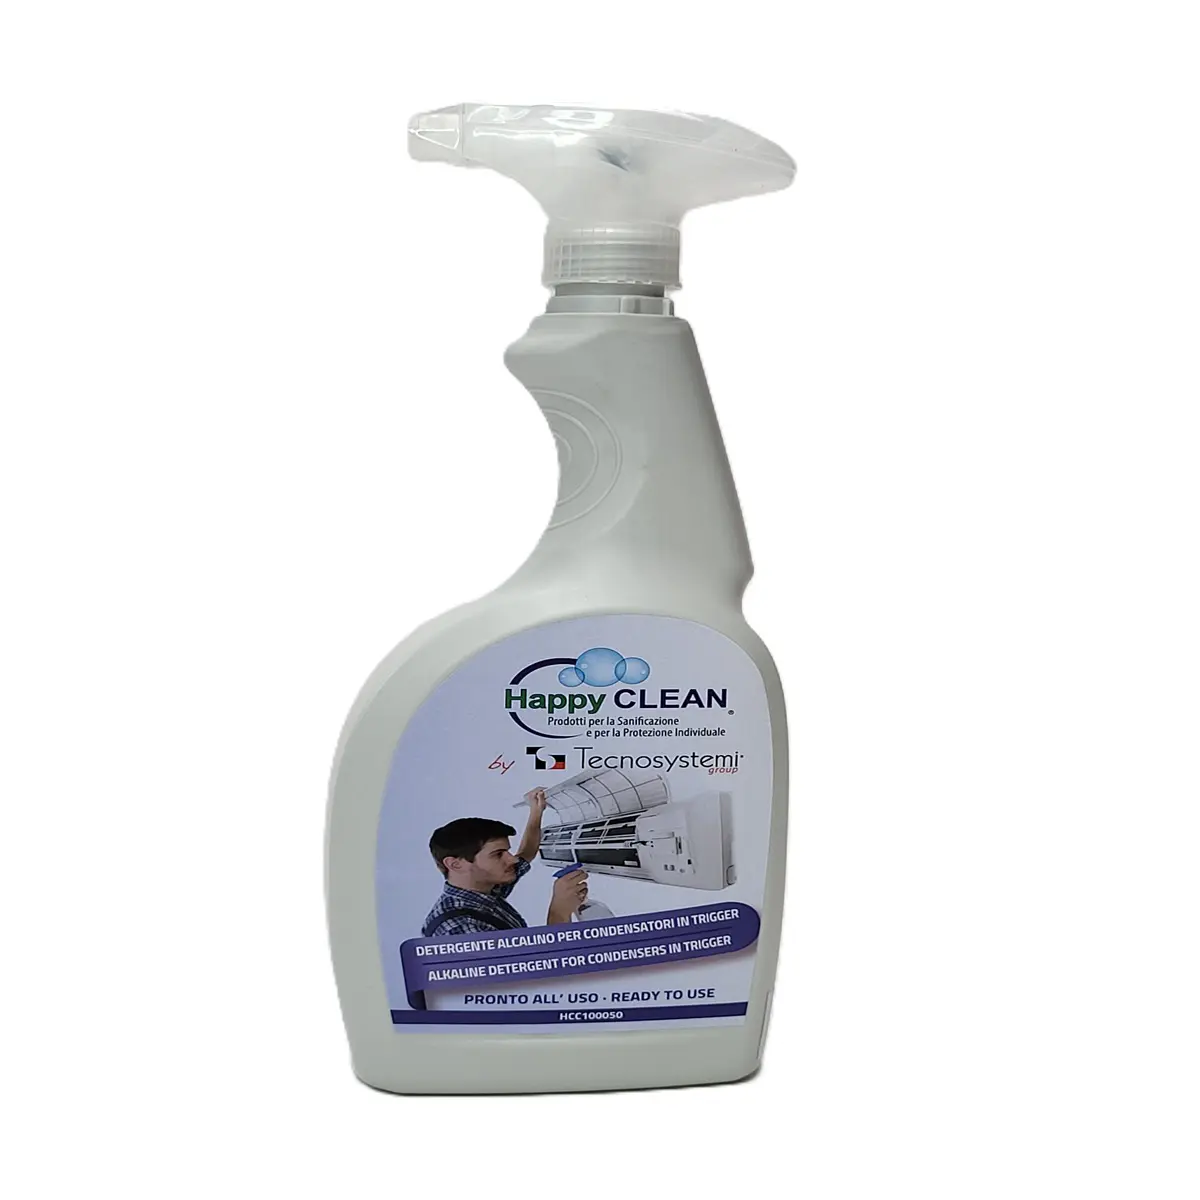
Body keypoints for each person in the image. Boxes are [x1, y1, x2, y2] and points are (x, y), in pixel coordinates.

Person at [421, 787, 588, 937]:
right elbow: (540, 962)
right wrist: (560, 911)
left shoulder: (485, 888)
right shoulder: (460, 928)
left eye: (507, 851)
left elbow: (526, 853)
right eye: (498, 854)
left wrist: (536, 810)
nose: (513, 859)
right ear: (456, 864)